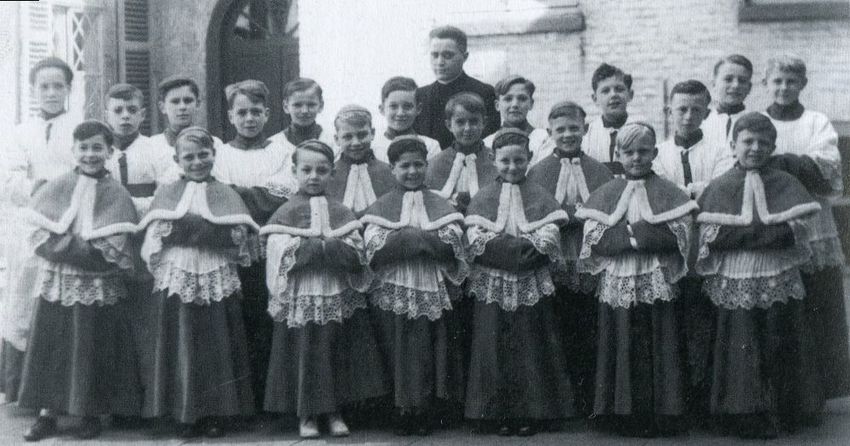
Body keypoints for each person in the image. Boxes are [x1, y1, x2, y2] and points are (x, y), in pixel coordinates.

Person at [696, 112, 824, 438]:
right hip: (736, 274)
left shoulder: (786, 183)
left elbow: (796, 232)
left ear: (773, 147)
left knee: (778, 339)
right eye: (748, 141)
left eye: (763, 142)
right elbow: (713, 237)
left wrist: (746, 234)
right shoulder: (719, 186)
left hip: (775, 271)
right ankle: (741, 412)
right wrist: (764, 233)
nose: (755, 148)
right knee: (740, 343)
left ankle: (783, 410)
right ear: (733, 145)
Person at [17, 120, 141, 441]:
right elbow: (38, 234)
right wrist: (70, 248)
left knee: (90, 344)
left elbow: (113, 249)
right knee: (52, 343)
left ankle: (88, 412)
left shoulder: (117, 194)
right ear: (73, 151)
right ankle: (47, 414)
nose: (90, 154)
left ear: (110, 151)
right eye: (83, 148)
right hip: (58, 281)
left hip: (96, 283)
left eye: (97, 148)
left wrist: (70, 249)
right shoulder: (57, 186)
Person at [262, 140, 387, 438]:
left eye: (321, 170)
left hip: (334, 288)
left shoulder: (341, 211)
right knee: (304, 349)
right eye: (306, 170)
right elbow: (279, 252)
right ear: (294, 172)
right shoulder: (285, 211)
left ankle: (334, 411)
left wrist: (320, 248)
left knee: (336, 348)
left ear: (332, 172)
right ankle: (306, 414)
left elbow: (356, 254)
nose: (313, 176)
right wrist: (321, 248)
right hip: (301, 292)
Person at [577, 122, 696, 437]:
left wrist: (627, 235)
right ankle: (620, 413)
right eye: (628, 152)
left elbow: (679, 234)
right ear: (618, 154)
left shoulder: (669, 192)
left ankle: (661, 412)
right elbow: (596, 238)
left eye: (643, 151)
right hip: (618, 278)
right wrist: (641, 236)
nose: (636, 158)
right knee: (619, 341)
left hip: (656, 276)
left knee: (659, 340)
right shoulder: (606, 193)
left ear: (654, 153)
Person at [137, 127, 257, 438]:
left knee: (215, 342)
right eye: (189, 157)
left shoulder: (227, 193)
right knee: (178, 340)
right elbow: (157, 235)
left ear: (214, 155)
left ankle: (213, 412)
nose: (197, 162)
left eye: (204, 155)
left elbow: (236, 237)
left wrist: (186, 229)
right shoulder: (167, 192)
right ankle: (180, 413)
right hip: (177, 272)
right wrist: (204, 230)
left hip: (215, 271)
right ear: (177, 160)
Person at [464, 128, 574, 436]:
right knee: (491, 346)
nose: (512, 167)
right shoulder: (483, 197)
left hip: (530, 280)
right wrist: (516, 252)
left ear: (529, 159)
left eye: (519, 160)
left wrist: (514, 254)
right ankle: (495, 413)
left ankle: (532, 413)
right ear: (493, 159)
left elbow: (548, 238)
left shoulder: (540, 195)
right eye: (505, 161)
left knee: (532, 346)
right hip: (493, 282)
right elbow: (477, 241)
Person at [361, 135, 468, 436]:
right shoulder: (382, 205)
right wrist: (422, 241)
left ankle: (426, 410)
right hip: (394, 285)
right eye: (405, 166)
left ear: (427, 166)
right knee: (396, 346)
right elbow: (376, 248)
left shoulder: (440, 203)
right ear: (392, 169)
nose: (412, 172)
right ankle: (401, 409)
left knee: (430, 347)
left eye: (418, 165)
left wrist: (408, 239)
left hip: (431, 284)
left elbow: (452, 244)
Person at [762, 55, 850, 400]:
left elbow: (826, 168)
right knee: (781, 311)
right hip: (772, 223)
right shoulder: (758, 122)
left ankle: (821, 390)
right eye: (777, 81)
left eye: (791, 81)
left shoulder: (816, 121)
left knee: (818, 306)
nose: (784, 88)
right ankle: (784, 392)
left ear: (802, 84)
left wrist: (777, 162)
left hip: (813, 226)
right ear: (766, 84)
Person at [652, 80, 735, 419]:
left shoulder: (721, 151)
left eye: (695, 110)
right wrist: (695, 192)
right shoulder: (657, 152)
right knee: (676, 322)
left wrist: (685, 193)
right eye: (681, 109)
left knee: (709, 321)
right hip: (673, 248)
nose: (688, 116)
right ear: (669, 111)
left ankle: (709, 397)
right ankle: (679, 397)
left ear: (706, 112)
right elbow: (660, 194)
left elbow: (721, 191)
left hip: (709, 246)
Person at [527, 101, 613, 416]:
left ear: (585, 129)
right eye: (560, 129)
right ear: (549, 132)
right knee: (557, 328)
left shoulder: (599, 170)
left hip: (589, 257)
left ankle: (589, 397)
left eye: (573, 128)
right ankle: (562, 400)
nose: (567, 135)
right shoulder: (538, 172)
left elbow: (609, 209)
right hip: (555, 259)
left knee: (589, 328)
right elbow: (533, 212)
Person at [1, 56, 80, 404]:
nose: (51, 93)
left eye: (57, 86)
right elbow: (9, 180)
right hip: (30, 228)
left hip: (70, 225)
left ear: (68, 89)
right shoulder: (19, 133)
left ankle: (64, 391)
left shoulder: (79, 128)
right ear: (33, 90)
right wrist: (41, 188)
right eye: (44, 86)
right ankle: (24, 389)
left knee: (63, 301)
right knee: (24, 300)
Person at [414, 25, 499, 148]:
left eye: (448, 55)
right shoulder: (420, 95)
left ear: (465, 57)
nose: (440, 62)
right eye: (435, 55)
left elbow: (490, 141)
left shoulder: (485, 92)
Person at [103, 83, 179, 215]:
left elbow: (167, 195)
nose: (125, 115)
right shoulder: (100, 153)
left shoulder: (157, 149)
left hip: (148, 219)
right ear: (107, 116)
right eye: (118, 110)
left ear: (142, 115)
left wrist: (130, 205)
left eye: (132, 110)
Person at [425, 92, 499, 214]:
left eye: (474, 121)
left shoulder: (496, 161)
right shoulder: (436, 163)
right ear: (449, 125)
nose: (467, 128)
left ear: (484, 123)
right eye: (460, 122)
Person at [326, 105, 396, 216]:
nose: (356, 143)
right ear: (337, 139)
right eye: (348, 137)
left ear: (372, 133)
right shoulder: (329, 175)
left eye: (362, 135)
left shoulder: (388, 172)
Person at [582, 63, 637, 174]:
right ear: (595, 98)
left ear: (630, 95)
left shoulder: (641, 131)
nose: (613, 95)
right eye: (605, 91)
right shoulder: (586, 135)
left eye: (619, 89)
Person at [483, 75, 550, 165]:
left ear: (531, 103)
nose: (515, 104)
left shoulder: (544, 139)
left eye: (522, 99)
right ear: (497, 105)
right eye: (508, 99)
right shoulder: (488, 143)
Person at [373, 76, 442, 163]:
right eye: (393, 106)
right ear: (382, 109)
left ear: (418, 109)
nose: (400, 113)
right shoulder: (373, 146)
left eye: (407, 106)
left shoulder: (431, 146)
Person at [149, 75, 223, 151]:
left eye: (188, 101)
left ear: (197, 104)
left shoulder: (214, 144)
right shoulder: (152, 146)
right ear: (162, 107)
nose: (182, 107)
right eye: (175, 102)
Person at [268, 77, 336, 160]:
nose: (304, 111)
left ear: (321, 105)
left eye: (311, 105)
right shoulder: (274, 145)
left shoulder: (333, 142)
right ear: (286, 107)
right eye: (297, 105)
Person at [701, 54, 754, 151]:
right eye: (728, 79)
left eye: (742, 81)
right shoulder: (701, 121)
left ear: (749, 87)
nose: (735, 85)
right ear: (714, 84)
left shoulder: (756, 122)